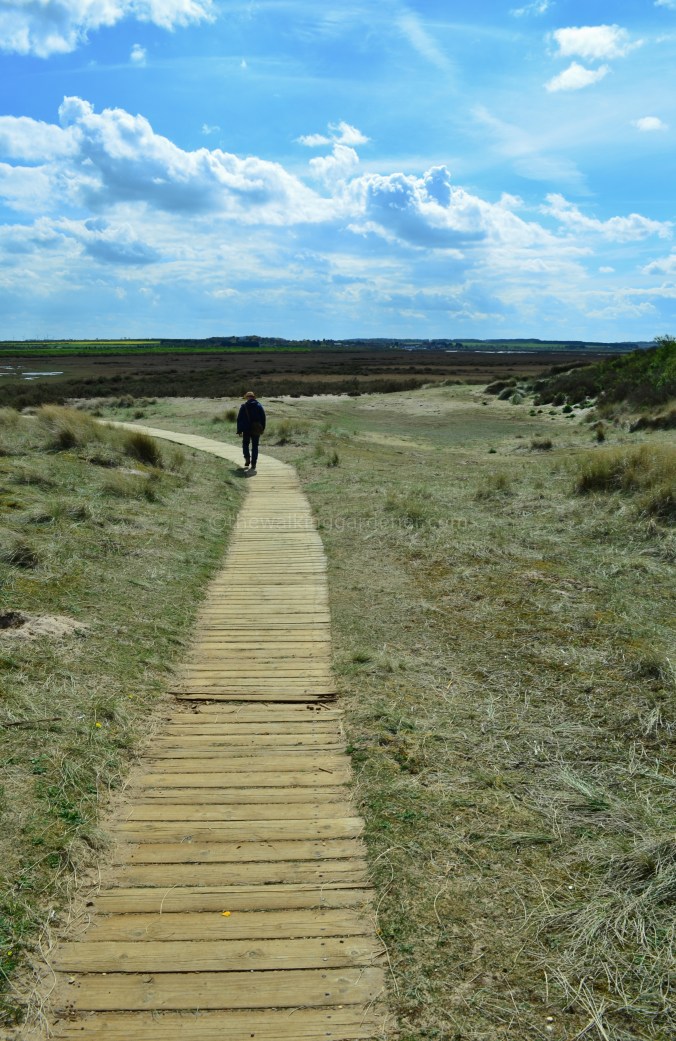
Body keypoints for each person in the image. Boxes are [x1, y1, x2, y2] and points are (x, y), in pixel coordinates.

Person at [236, 390, 266, 473]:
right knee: (255, 446)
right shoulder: (259, 406)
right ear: (254, 397)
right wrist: (262, 428)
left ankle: (247, 458)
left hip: (246, 429)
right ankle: (253, 463)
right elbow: (263, 418)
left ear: (247, 398)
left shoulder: (244, 406)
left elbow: (239, 419)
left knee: (245, 444)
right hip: (256, 429)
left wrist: (239, 430)